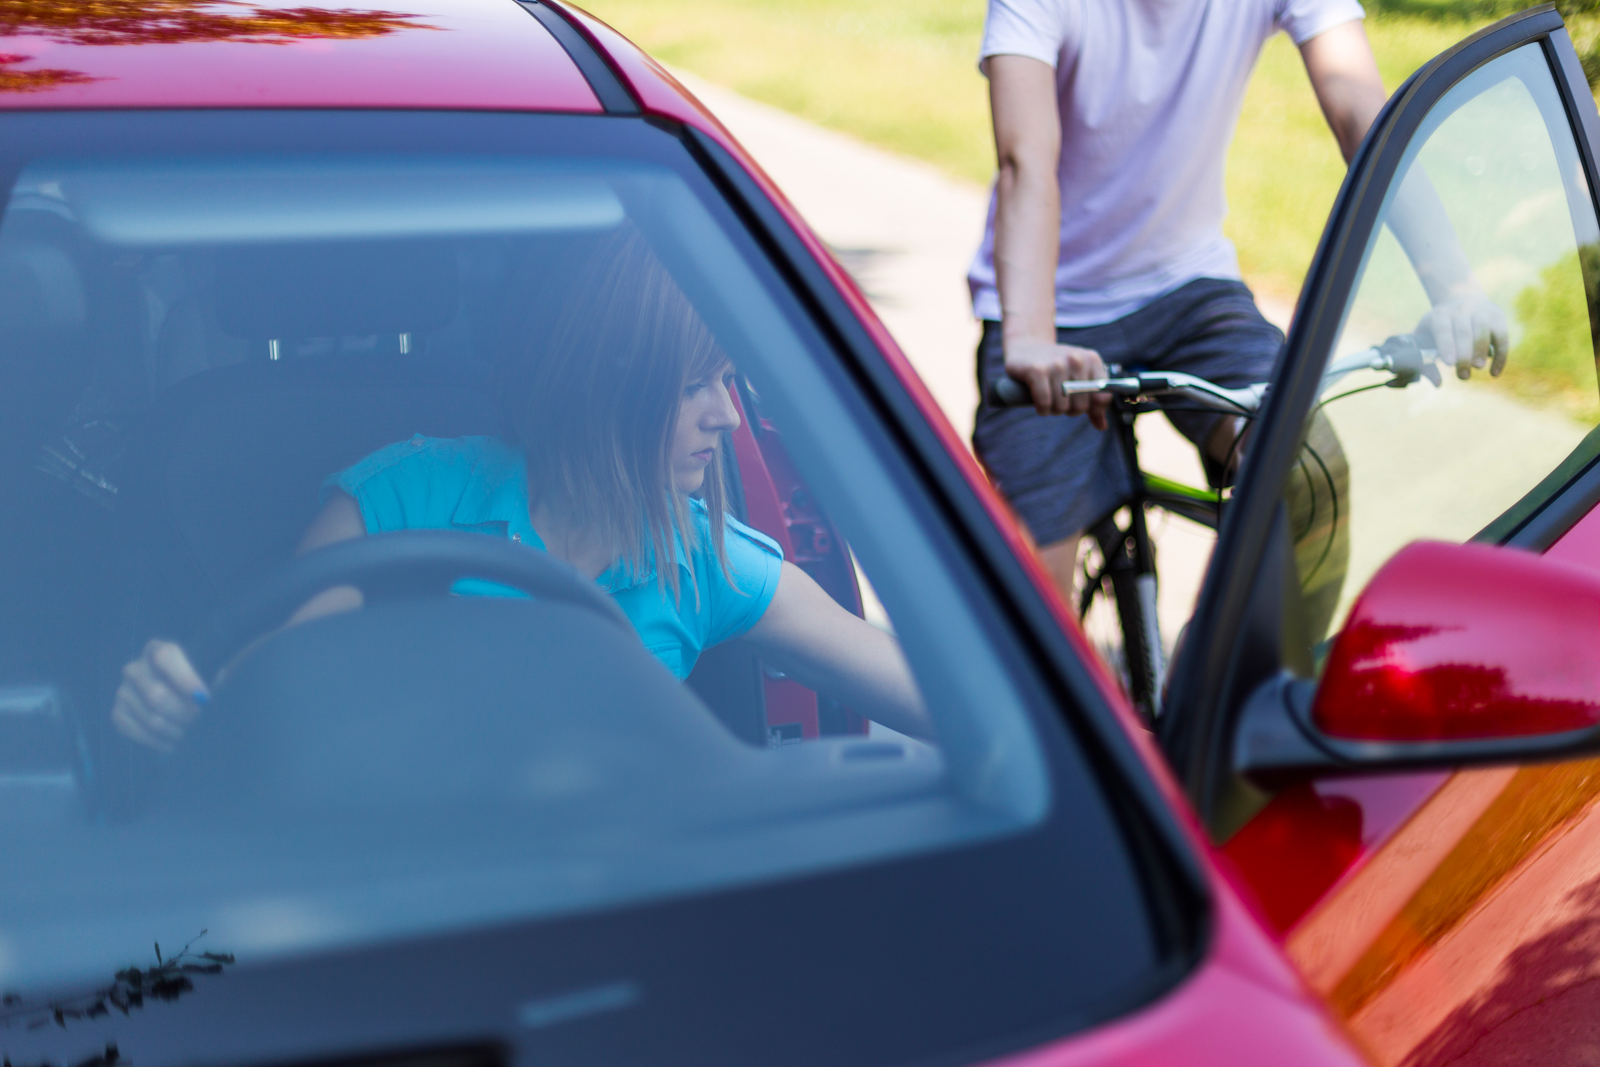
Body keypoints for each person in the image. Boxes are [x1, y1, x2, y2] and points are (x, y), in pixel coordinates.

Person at [110, 226, 930, 750]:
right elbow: (259, 695)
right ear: (611, 381)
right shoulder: (407, 496)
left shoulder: (699, 559)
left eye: (729, 382)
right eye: (695, 387)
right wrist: (174, 699)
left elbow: (932, 694)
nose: (726, 416)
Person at [971, 0, 1508, 602]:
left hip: (1188, 289)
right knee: (1030, 606)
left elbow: (1363, 113)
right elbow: (1025, 160)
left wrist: (1454, 288)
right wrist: (1031, 337)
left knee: (1308, 473)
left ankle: (1219, 687)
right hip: (1047, 308)